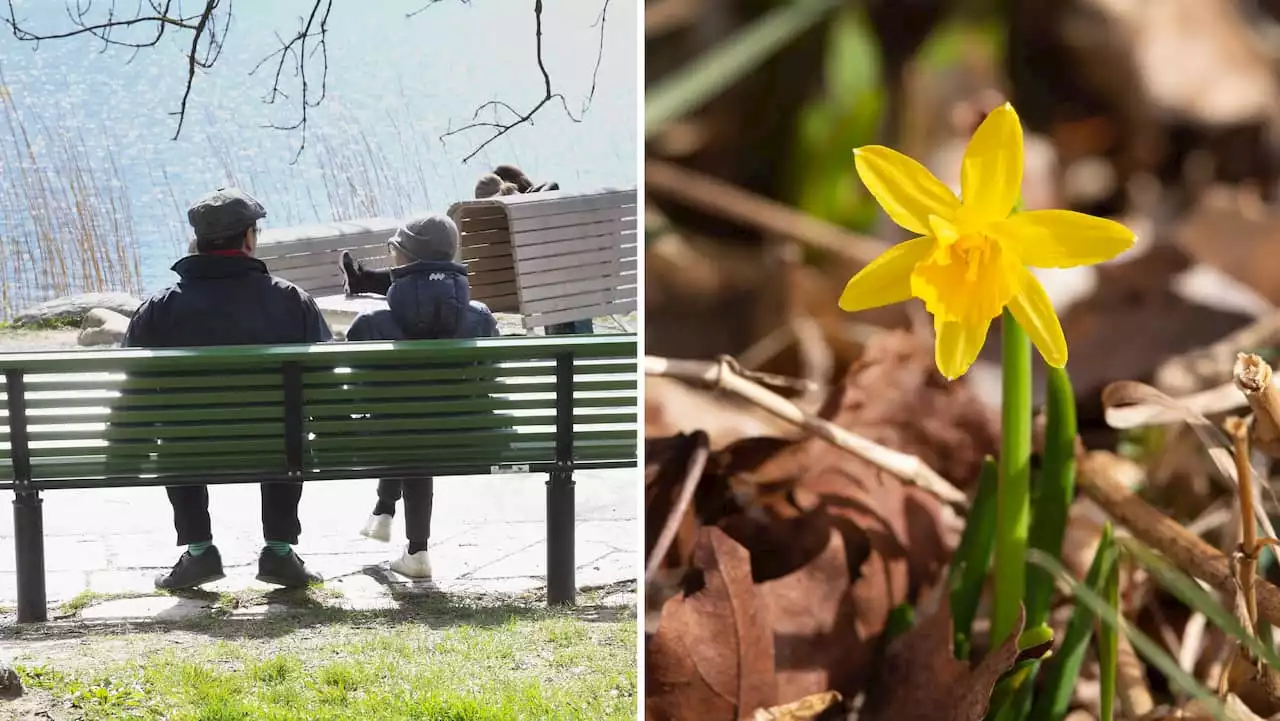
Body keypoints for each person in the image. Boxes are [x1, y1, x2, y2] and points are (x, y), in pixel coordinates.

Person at [122, 186, 333, 591]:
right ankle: (279, 551)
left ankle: (200, 552)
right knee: (286, 423)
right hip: (277, 447)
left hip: (189, 448)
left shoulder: (159, 308)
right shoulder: (292, 301)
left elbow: (135, 391)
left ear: (198, 243)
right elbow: (323, 385)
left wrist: (124, 449)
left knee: (176, 430)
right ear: (249, 239)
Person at [347, 213, 500, 577]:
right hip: (468, 439)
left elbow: (353, 393)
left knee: (404, 426)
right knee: (418, 425)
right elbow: (489, 380)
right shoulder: (480, 318)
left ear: (404, 258)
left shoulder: (371, 323)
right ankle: (386, 513)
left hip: (384, 441)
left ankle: (416, 551)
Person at [338, 165, 546, 297]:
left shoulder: (483, 229)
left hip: (477, 290)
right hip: (518, 289)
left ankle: (363, 279)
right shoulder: (528, 223)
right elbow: (550, 185)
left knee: (428, 273)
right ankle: (363, 279)